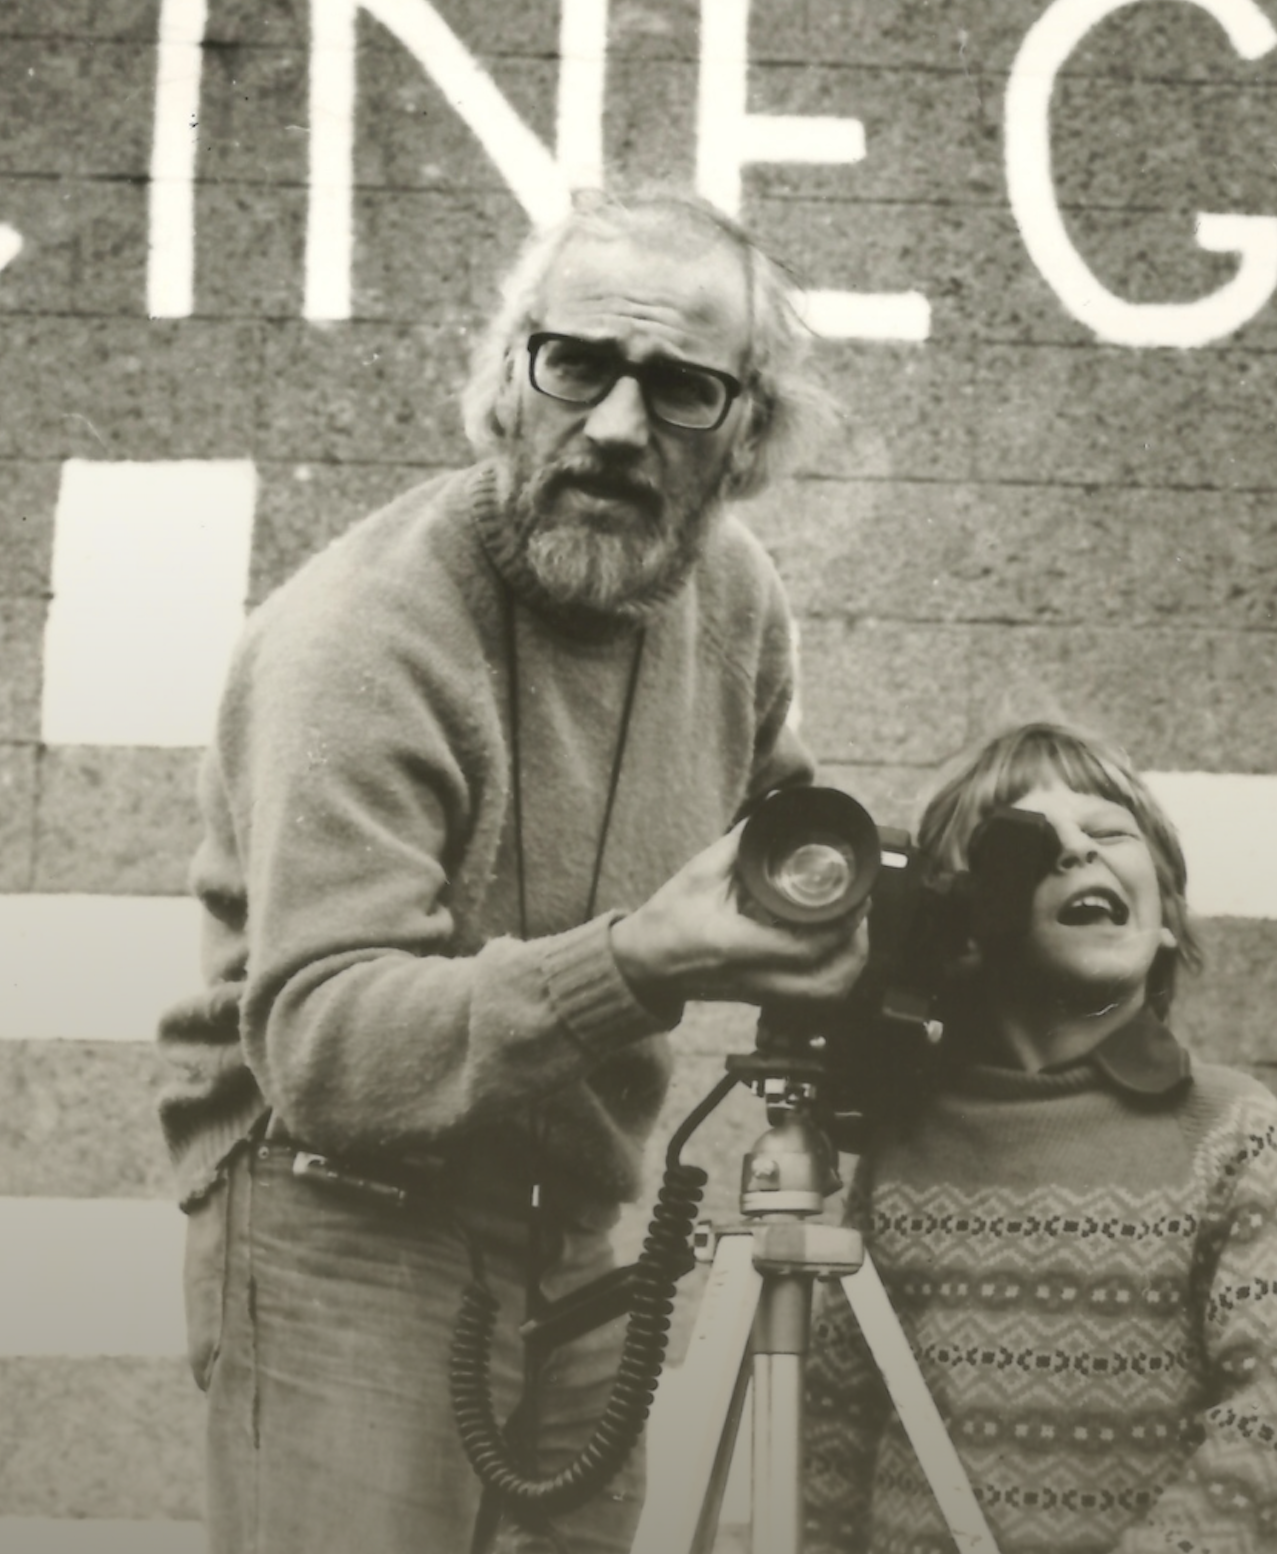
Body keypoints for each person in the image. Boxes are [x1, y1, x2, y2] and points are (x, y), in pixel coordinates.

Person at [155, 187, 865, 1554]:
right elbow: (327, 1046)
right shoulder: (364, 637)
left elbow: (778, 832)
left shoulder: (730, 599)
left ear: (747, 432)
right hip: (338, 1217)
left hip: (575, 1235)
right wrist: (637, 961)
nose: (612, 426)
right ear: (507, 377)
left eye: (679, 389)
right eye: (577, 364)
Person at [801, 722, 1277, 1553]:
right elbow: (839, 1422)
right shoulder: (906, 1140)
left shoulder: (1230, 1130)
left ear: (1165, 916)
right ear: (963, 925)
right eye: (1027, 842)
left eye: (1108, 833)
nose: (1077, 853)